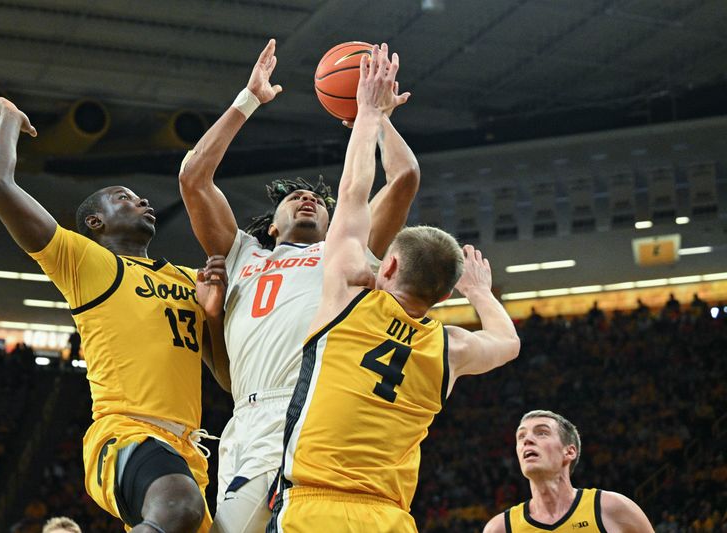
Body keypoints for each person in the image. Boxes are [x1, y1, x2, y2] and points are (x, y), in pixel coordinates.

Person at [267, 44, 520, 533]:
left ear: (389, 265)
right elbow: (508, 343)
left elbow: (353, 192)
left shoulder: (346, 296)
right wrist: (482, 293)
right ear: (445, 295)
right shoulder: (450, 346)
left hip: (313, 506)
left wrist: (368, 115)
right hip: (389, 518)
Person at [178, 39, 421, 532]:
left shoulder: (341, 254)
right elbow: (193, 178)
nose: (308, 199)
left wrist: (374, 118)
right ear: (271, 224)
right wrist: (247, 100)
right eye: (297, 198)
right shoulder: (242, 251)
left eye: (318, 199)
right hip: (240, 421)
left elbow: (404, 177)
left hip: (302, 412)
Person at [0, 91, 230, 533]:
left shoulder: (189, 278)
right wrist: (11, 122)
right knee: (178, 509)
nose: (143, 202)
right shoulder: (84, 262)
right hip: (125, 434)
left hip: (186, 449)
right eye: (125, 198)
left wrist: (212, 316)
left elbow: (226, 380)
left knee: (182, 513)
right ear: (95, 223)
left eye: (141, 199)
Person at [483, 410, 654, 533]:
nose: (527, 440)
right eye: (521, 436)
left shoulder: (612, 508)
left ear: (569, 451)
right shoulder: (501, 528)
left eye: (542, 433)